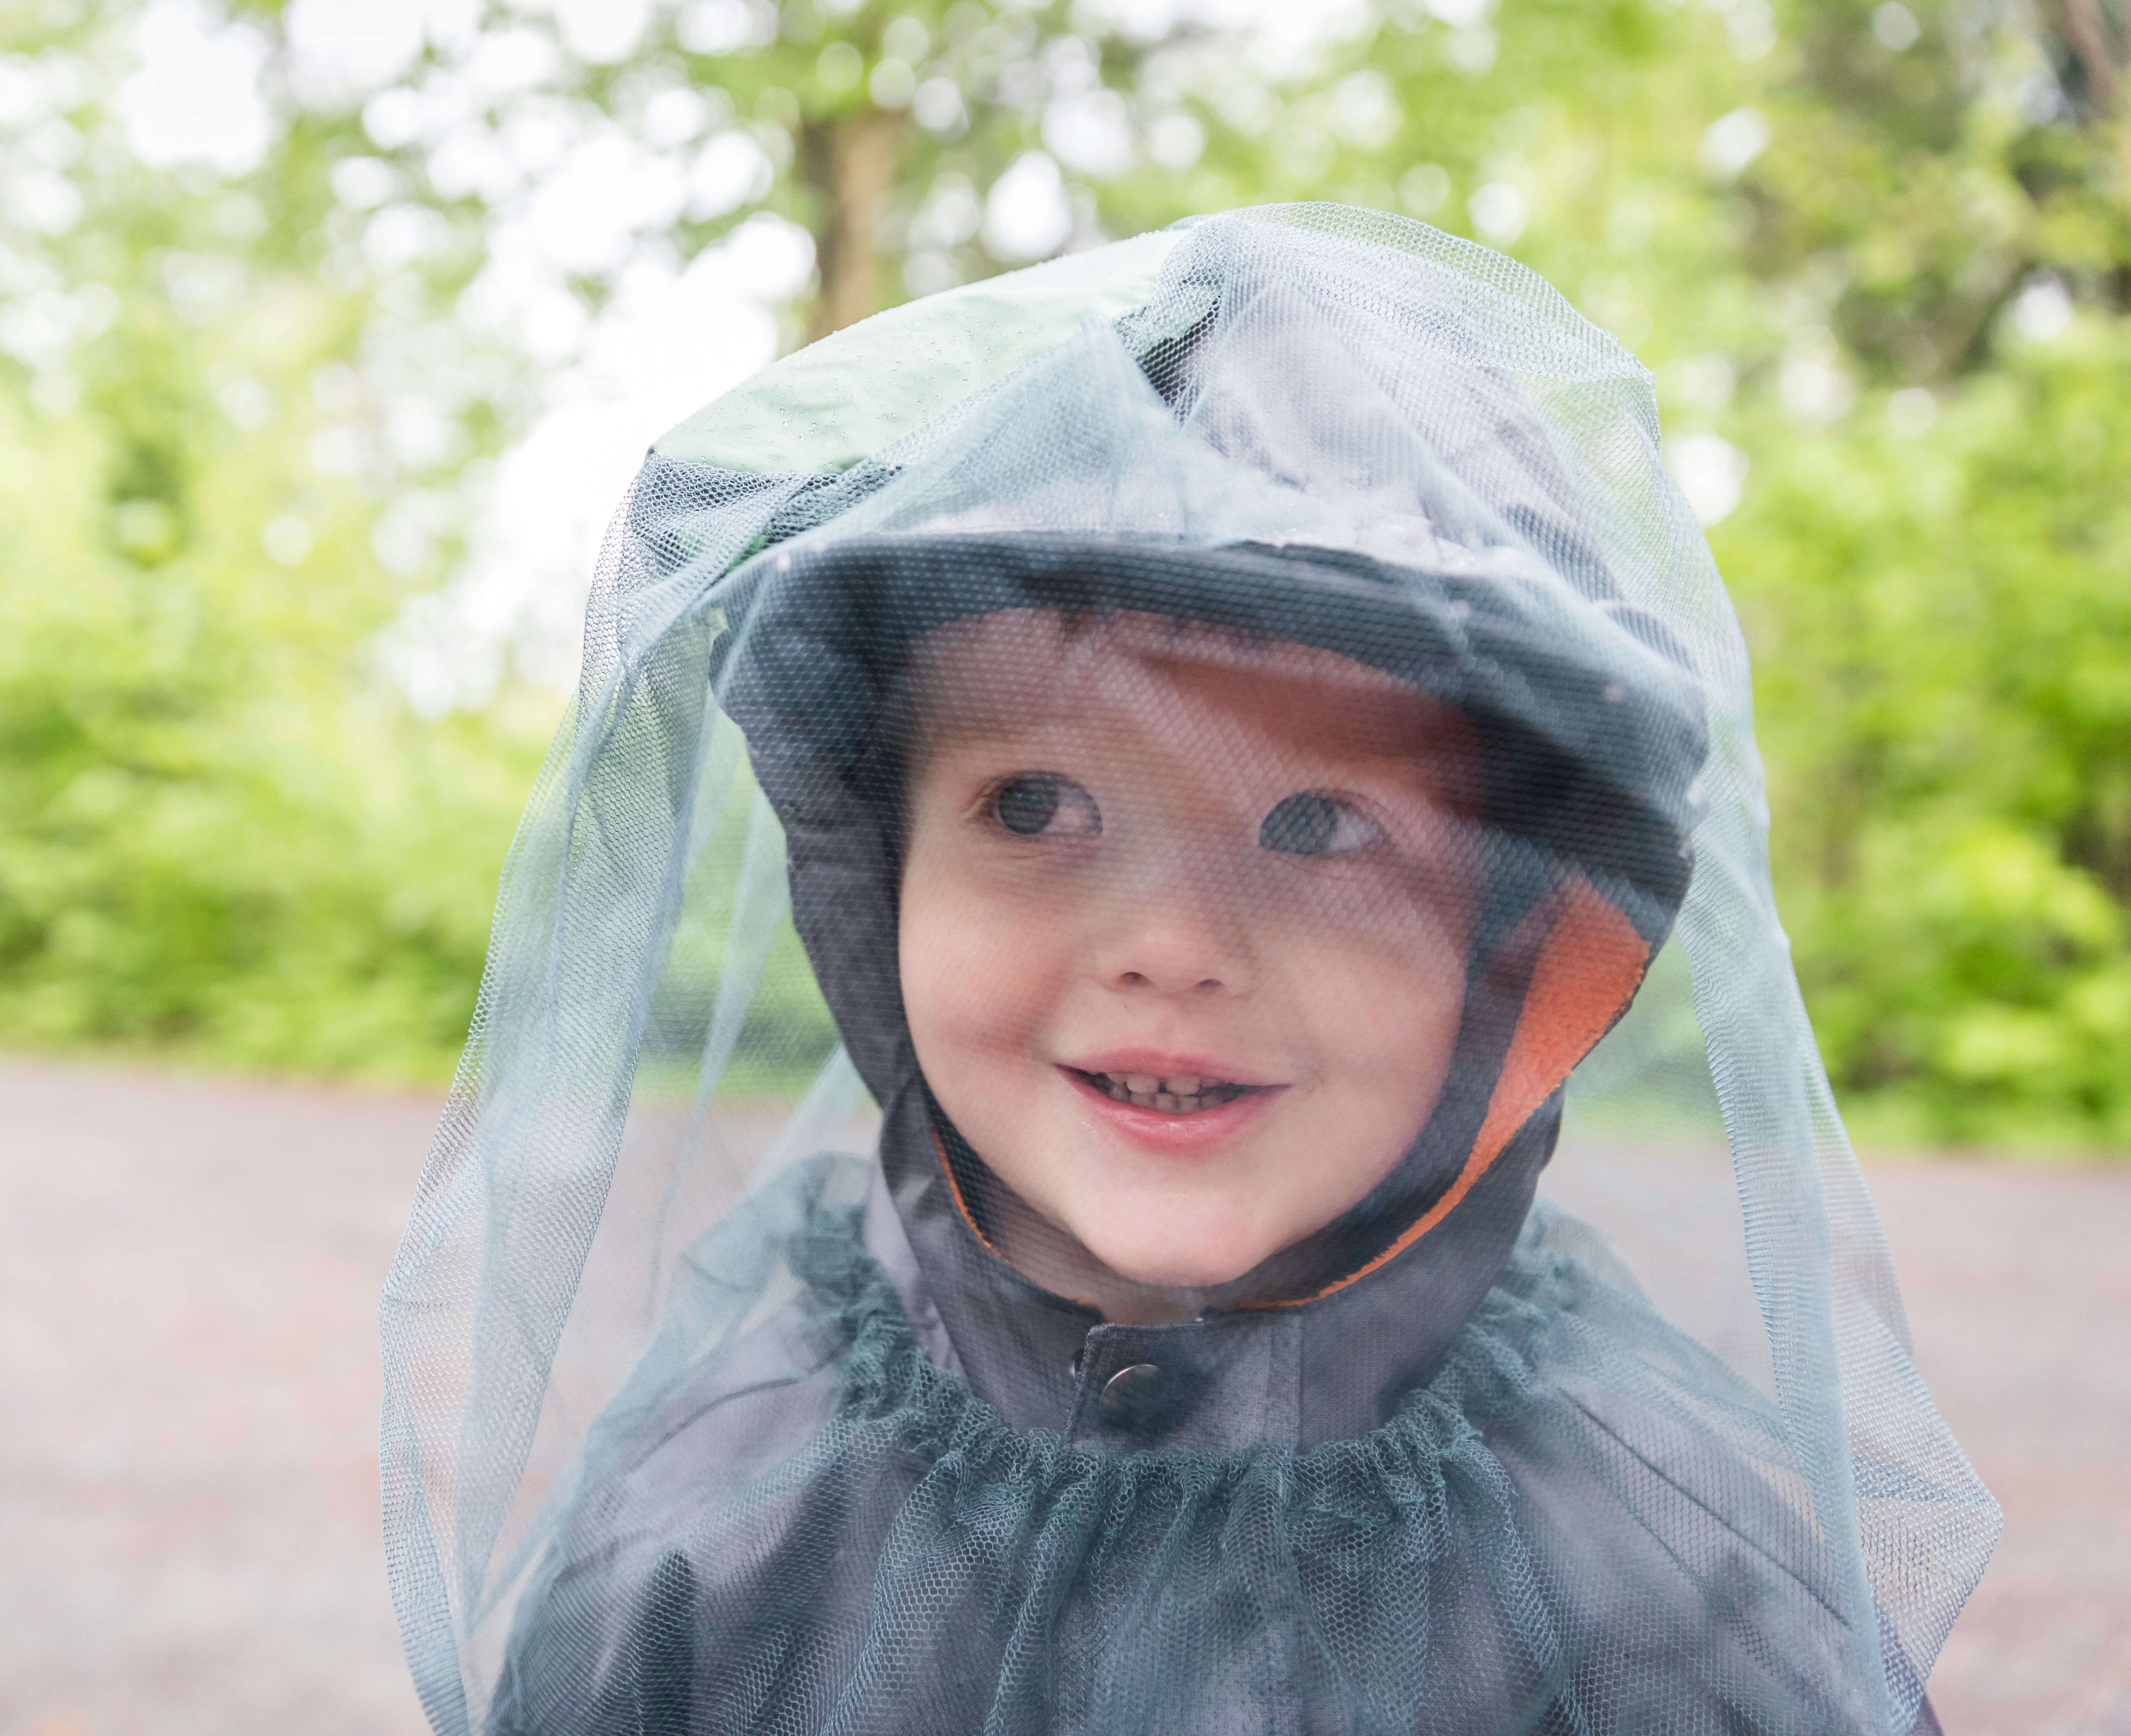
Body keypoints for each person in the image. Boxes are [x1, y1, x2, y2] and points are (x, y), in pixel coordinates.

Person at [381, 207, 1997, 1736]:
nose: (1167, 949)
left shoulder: (1671, 1585)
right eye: (1036, 806)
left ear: (1516, 945)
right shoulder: (710, 1524)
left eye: (1320, 825)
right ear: (880, 881)